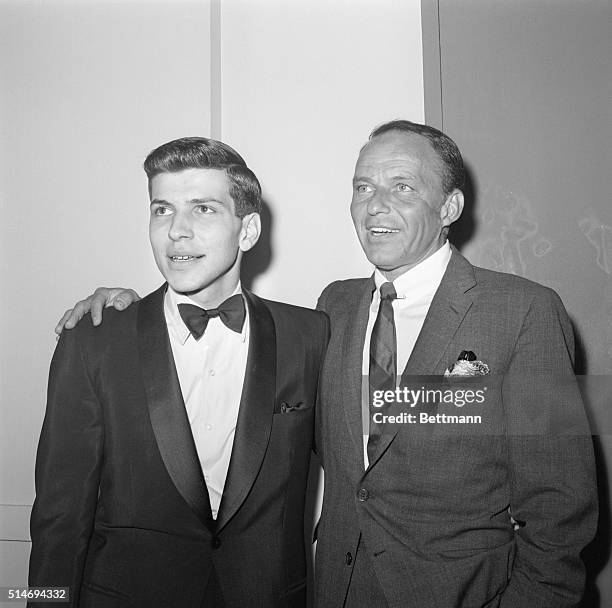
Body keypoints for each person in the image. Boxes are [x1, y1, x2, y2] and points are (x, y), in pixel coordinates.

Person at [57, 121, 597, 608]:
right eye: (362, 187)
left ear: (450, 207)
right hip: (340, 590)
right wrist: (128, 307)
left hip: (461, 594)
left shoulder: (522, 311)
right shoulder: (331, 311)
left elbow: (559, 507)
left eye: (402, 187)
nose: (375, 205)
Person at [30, 137, 329, 608]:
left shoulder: (309, 335)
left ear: (247, 231)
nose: (177, 232)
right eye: (162, 210)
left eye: (204, 209)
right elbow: (57, 516)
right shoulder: (93, 340)